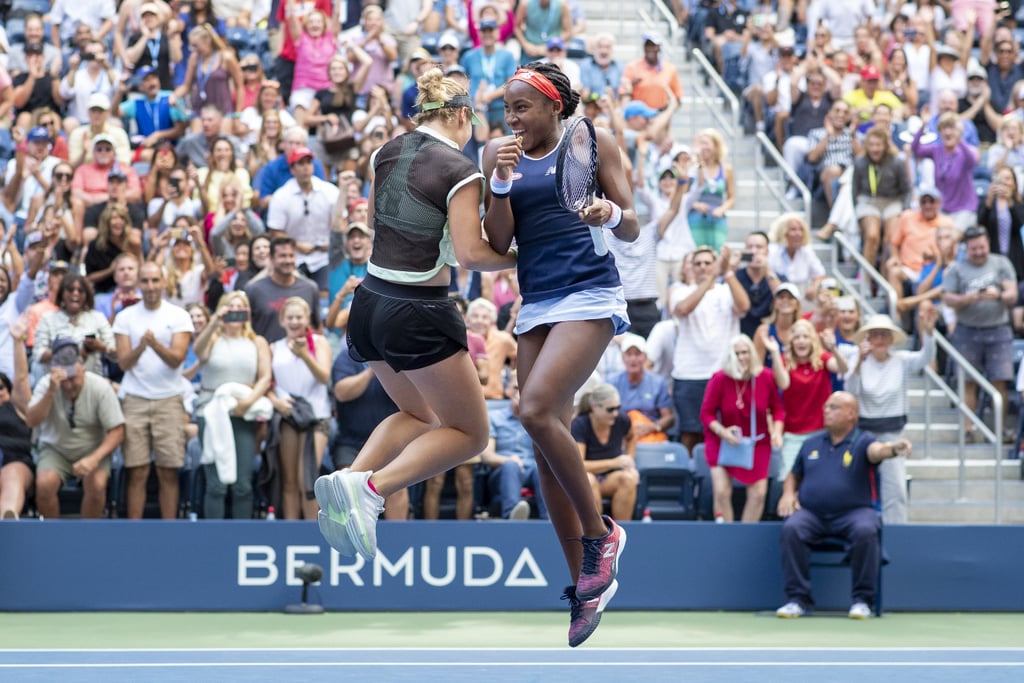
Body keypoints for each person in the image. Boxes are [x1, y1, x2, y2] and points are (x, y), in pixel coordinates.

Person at [481, 61, 638, 646]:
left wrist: (610, 212)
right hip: (537, 301)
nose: (512, 118)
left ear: (555, 107)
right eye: (507, 109)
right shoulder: (498, 155)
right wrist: (498, 184)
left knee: (534, 410)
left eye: (522, 107)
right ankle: (585, 587)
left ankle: (602, 537)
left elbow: (633, 227)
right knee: (546, 454)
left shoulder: (595, 141)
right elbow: (499, 241)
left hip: (590, 293)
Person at [776, 391, 911, 619]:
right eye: (826, 406)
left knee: (866, 530)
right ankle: (798, 600)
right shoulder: (811, 443)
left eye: (834, 407)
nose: (826, 410)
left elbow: (878, 452)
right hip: (812, 514)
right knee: (792, 528)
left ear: (851, 414)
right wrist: (788, 493)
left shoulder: (863, 441)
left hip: (854, 513)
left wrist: (894, 448)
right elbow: (794, 474)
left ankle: (862, 601)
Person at [113, 263, 194, 519]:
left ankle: (169, 530)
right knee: (136, 470)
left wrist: (155, 344)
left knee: (168, 470)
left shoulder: (179, 315)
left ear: (163, 283)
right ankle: (135, 532)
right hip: (135, 399)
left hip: (169, 399)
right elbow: (123, 363)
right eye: (145, 281)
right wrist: (141, 346)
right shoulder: (125, 317)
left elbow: (177, 360)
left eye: (154, 280)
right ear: (139, 283)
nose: (149, 286)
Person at [847, 310, 937, 524]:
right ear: (867, 339)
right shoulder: (858, 359)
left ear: (890, 339)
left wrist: (929, 332)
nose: (879, 339)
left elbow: (926, 357)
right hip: (863, 433)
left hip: (892, 432)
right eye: (874, 334)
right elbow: (851, 389)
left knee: (895, 488)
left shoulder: (902, 360)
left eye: (884, 334)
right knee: (854, 483)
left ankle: (896, 533)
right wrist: (859, 362)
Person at [192, 290, 272, 520]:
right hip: (211, 410)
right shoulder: (214, 338)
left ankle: (241, 535)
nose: (236, 312)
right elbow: (199, 351)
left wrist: (247, 403)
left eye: (241, 307)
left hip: (243, 413)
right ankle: (213, 538)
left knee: (243, 484)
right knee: (215, 484)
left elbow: (265, 377)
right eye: (231, 307)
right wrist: (216, 320)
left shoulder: (257, 341)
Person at [25, 337, 126, 519]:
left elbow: (117, 430)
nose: (69, 385)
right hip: (56, 449)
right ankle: (53, 538)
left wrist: (94, 459)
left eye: (73, 378)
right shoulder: (46, 384)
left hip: (93, 448)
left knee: (96, 484)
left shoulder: (100, 387)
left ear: (82, 368)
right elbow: (31, 421)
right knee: (44, 484)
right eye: (64, 380)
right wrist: (51, 391)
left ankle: (88, 538)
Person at [670, 245, 751, 453]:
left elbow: (744, 307)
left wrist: (728, 272)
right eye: (698, 263)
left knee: (727, 431)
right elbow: (683, 309)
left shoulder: (727, 290)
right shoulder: (680, 291)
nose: (703, 267)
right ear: (690, 268)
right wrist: (711, 278)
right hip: (689, 374)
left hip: (724, 373)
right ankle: (691, 481)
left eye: (708, 263)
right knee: (690, 433)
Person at [942, 226, 1017, 442]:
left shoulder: (1001, 263)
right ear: (966, 248)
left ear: (988, 245)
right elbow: (947, 298)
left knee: (1000, 382)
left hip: (998, 330)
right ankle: (969, 429)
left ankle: (1000, 430)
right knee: (968, 382)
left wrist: (999, 295)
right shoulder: (957, 268)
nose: (979, 252)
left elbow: (1012, 295)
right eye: (974, 249)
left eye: (982, 247)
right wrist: (969, 298)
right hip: (967, 331)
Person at [700, 333, 785, 523]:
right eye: (736, 353)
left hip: (757, 441)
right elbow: (706, 414)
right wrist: (723, 431)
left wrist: (777, 432)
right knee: (722, 491)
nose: (741, 357)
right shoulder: (720, 378)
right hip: (723, 440)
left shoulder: (765, 377)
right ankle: (726, 535)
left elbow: (778, 410)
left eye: (745, 352)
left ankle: (745, 534)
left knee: (758, 493)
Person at [330, 336, 409, 521]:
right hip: (351, 442)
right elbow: (341, 392)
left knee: (397, 488)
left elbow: (411, 396)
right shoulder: (346, 358)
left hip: (391, 444)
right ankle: (353, 541)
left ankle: (398, 540)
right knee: (349, 489)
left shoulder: (397, 359)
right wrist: (374, 368)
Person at [267, 297, 332, 520]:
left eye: (299, 317)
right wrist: (276, 402)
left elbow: (324, 377)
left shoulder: (320, 342)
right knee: (289, 480)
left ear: (307, 319)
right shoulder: (274, 347)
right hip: (287, 415)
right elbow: (267, 383)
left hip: (316, 417)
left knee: (307, 477)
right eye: (290, 318)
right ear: (282, 320)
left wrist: (304, 354)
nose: (294, 322)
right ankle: (291, 529)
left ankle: (313, 532)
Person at [779, 319, 849, 480]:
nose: (801, 341)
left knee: (820, 478)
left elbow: (843, 368)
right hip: (793, 434)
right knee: (788, 478)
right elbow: (781, 382)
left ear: (813, 340)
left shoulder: (822, 358)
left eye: (806, 337)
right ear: (791, 342)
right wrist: (775, 354)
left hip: (821, 432)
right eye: (797, 337)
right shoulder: (784, 361)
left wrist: (833, 348)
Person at [265, 145, 341, 290]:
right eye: (301, 163)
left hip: (323, 257)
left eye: (308, 162)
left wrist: (332, 241)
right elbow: (274, 231)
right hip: (294, 257)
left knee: (325, 293)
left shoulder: (330, 191)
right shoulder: (281, 196)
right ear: (292, 169)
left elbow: (340, 222)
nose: (305, 167)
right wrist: (297, 244)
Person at [479, 372, 548, 520]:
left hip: (532, 469)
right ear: (508, 390)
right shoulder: (494, 418)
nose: (520, 393)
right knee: (511, 467)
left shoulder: (538, 421)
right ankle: (513, 515)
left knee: (541, 468)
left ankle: (549, 520)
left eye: (525, 389)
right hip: (502, 471)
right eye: (516, 388)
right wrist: (508, 460)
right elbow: (487, 456)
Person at [572, 383, 638, 522]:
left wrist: (630, 461)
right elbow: (579, 466)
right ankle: (597, 533)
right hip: (586, 479)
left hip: (611, 478)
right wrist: (615, 462)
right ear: (595, 407)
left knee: (628, 479)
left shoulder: (622, 419)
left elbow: (632, 437)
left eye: (618, 408)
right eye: (610, 409)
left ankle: (622, 531)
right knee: (589, 480)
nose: (615, 413)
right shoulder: (580, 425)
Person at [34, 274, 115, 378]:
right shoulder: (48, 319)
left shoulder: (97, 318)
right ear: (62, 293)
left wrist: (101, 347)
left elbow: (115, 355)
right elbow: (38, 355)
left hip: (90, 380)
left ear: (87, 295)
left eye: (80, 290)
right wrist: (65, 352)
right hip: (57, 381)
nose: (75, 293)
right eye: (70, 290)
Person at [853, 126, 911, 270]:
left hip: (892, 201)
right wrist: (857, 213)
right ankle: (865, 281)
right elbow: (854, 190)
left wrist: (904, 210)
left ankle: (884, 283)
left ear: (885, 146)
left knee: (891, 239)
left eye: (878, 145)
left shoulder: (896, 162)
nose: (875, 149)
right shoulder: (860, 162)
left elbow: (907, 189)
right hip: (868, 201)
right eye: (871, 145)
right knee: (872, 236)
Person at [244, 236, 321, 343]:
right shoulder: (253, 290)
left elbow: (317, 327)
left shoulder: (310, 288)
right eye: (282, 256)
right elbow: (244, 329)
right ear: (271, 259)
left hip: (300, 356)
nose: (288, 260)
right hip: (265, 355)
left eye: (291, 256)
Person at [607, 333, 674, 442]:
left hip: (651, 435)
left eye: (638, 354)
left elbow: (668, 417)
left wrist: (652, 426)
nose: (633, 359)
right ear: (623, 357)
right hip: (620, 435)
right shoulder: (612, 382)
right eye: (628, 354)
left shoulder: (658, 383)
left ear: (645, 357)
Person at [0, 319, 33, 519]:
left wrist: (17, 341)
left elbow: (21, 378)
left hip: (16, 462)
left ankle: (5, 520)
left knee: (11, 476)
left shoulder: (17, 407)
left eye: (2, 387)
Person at [767, 213, 826, 302]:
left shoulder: (807, 251)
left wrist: (814, 286)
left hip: (800, 299)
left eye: (801, 229)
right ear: (783, 232)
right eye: (793, 230)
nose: (798, 233)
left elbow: (820, 275)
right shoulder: (771, 251)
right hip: (774, 297)